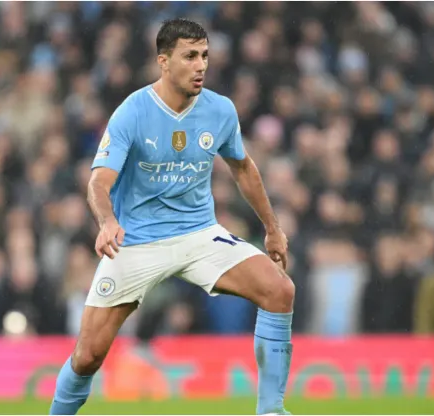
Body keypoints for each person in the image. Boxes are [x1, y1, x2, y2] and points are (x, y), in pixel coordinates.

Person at [50, 19, 295, 415]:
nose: (201, 66)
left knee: (280, 290)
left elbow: (244, 169)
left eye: (205, 56)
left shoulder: (220, 110)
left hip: (199, 235)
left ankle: (271, 410)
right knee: (88, 355)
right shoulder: (133, 111)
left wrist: (273, 229)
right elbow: (98, 182)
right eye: (190, 56)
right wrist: (107, 222)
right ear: (164, 62)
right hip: (138, 241)